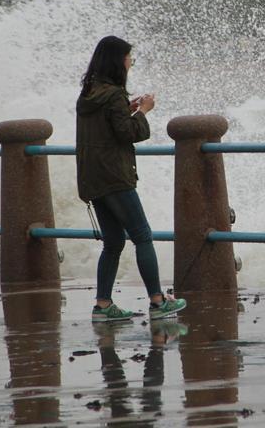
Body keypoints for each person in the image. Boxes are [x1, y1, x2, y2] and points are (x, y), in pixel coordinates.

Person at [76, 35, 186, 322]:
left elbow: (106, 127)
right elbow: (128, 134)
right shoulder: (112, 94)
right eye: (129, 59)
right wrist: (144, 111)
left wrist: (128, 109)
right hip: (115, 177)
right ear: (118, 61)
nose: (130, 64)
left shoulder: (89, 93)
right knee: (142, 236)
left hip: (93, 178)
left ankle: (103, 305)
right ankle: (158, 301)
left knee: (113, 242)